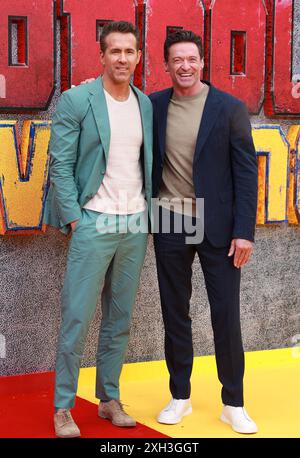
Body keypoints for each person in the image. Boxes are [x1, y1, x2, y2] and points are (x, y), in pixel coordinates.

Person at [43, 21, 153, 438]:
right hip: (93, 222)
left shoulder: (144, 104)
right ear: (102, 56)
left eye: (130, 51)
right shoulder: (77, 100)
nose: (123, 58)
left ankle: (108, 398)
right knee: (77, 317)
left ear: (138, 57)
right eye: (115, 51)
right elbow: (61, 164)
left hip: (134, 223)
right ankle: (63, 408)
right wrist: (76, 219)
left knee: (120, 317)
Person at [149, 30, 258, 434]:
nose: (185, 66)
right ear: (166, 64)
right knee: (174, 313)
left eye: (192, 58)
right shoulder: (154, 105)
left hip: (220, 224)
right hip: (170, 219)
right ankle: (180, 396)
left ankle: (234, 402)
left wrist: (244, 231)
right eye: (177, 59)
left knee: (225, 314)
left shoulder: (229, 107)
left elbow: (247, 173)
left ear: (201, 62)